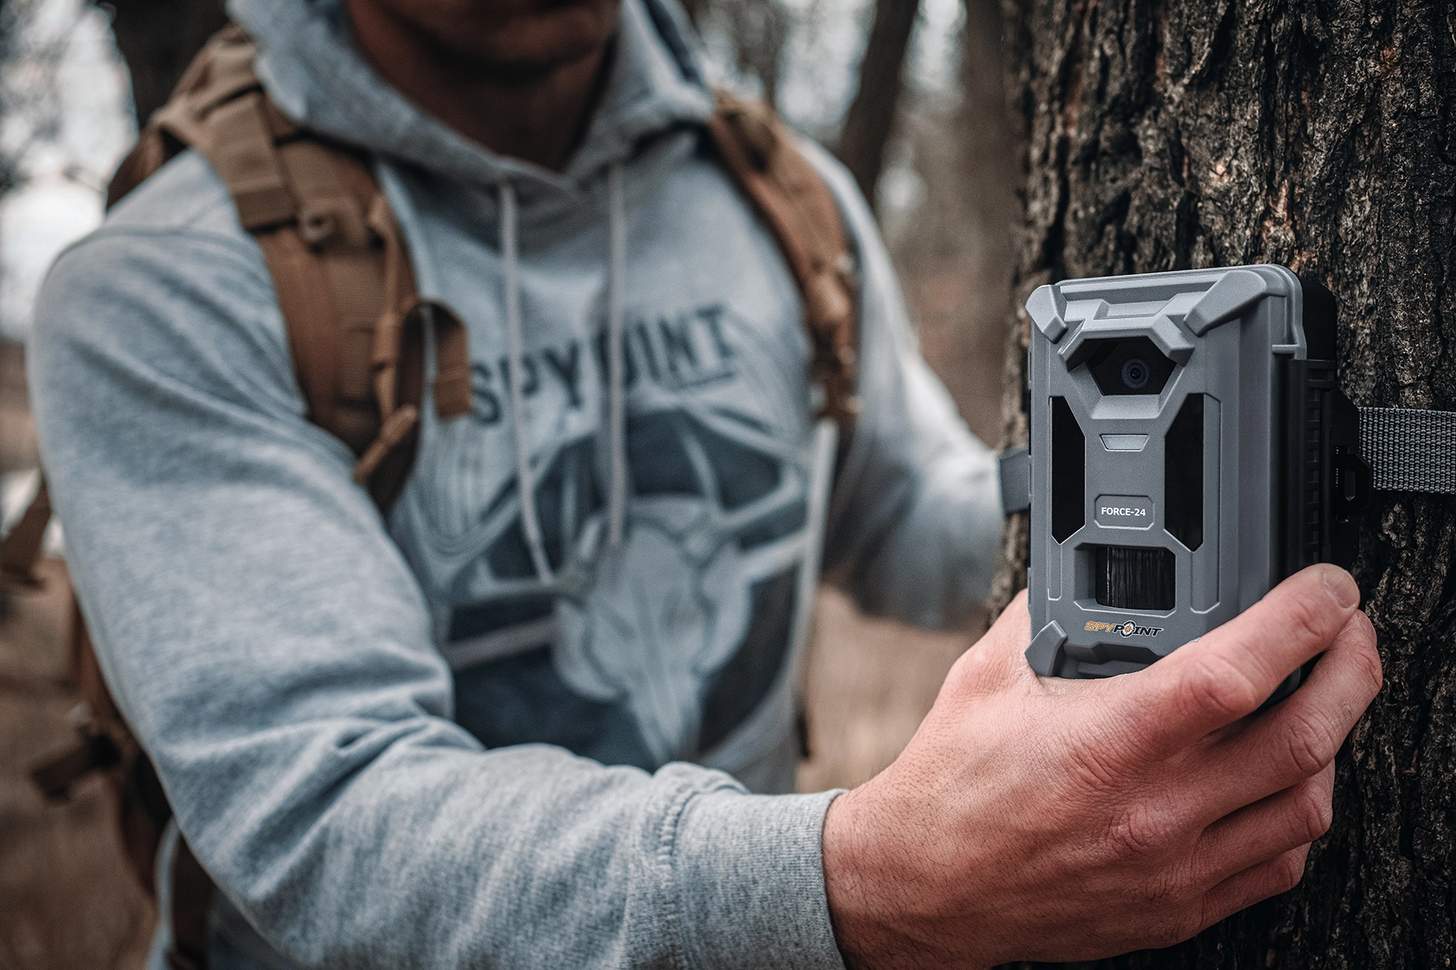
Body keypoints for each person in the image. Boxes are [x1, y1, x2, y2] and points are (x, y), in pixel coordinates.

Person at [28, 0, 1383, 967]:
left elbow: (916, 523)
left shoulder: (781, 199)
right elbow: (331, 816)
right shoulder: (166, 286)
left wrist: (1209, 472)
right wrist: (856, 884)